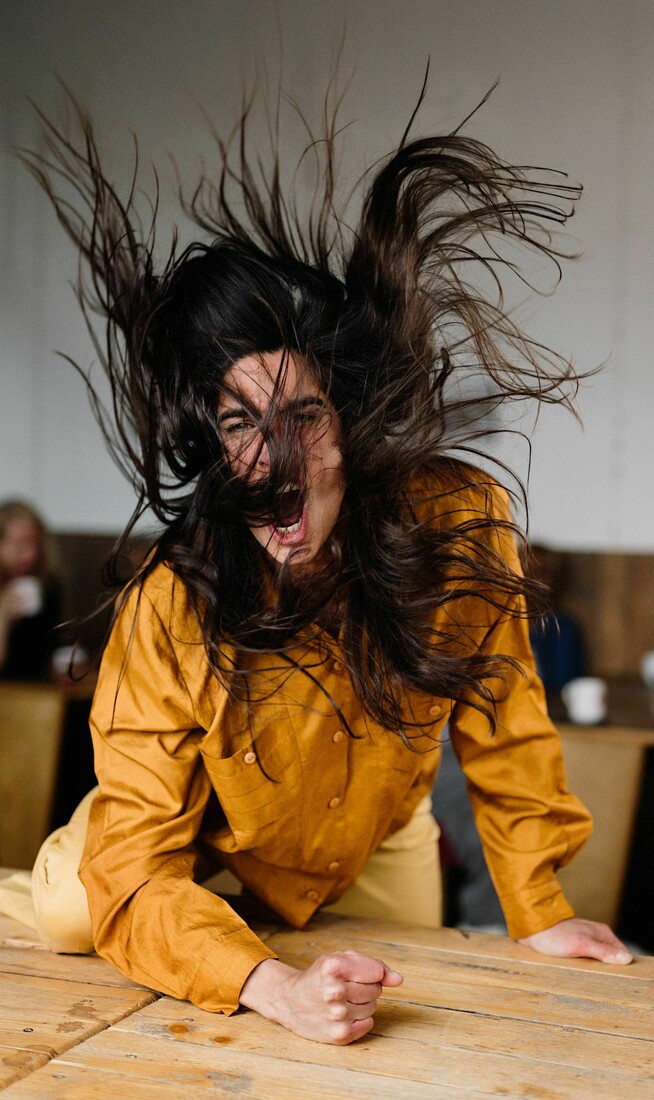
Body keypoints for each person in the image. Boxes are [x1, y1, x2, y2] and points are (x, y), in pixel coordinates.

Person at [2, 85, 633, 1047]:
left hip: (368, 840)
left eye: (303, 417)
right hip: (195, 837)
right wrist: (270, 986)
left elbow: (504, 721)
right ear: (213, 446)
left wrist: (540, 906)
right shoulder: (172, 604)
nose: (275, 462)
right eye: (241, 425)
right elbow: (137, 868)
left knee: (408, 1008)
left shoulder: (458, 524)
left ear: (353, 416)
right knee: (75, 915)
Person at [0, 500, 61, 681]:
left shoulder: (48, 587)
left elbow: (47, 654)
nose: (30, 554)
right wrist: (3, 616)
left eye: (36, 544)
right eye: (20, 545)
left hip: (36, 698)